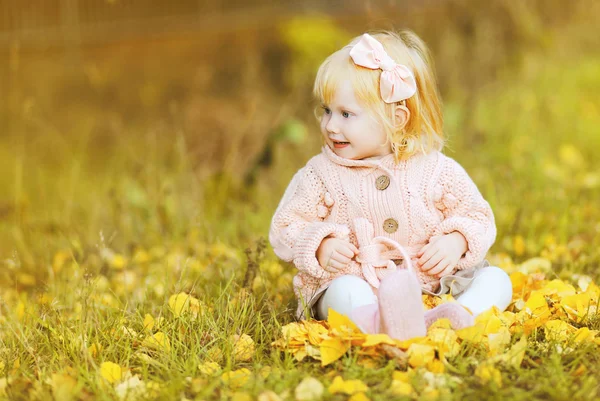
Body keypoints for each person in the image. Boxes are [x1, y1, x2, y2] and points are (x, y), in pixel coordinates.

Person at [269, 30, 513, 340]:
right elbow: (286, 226)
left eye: (346, 114)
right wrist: (321, 245)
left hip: (433, 284)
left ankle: (457, 318)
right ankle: (382, 325)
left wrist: (456, 241)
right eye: (327, 111)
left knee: (497, 279)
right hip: (359, 281)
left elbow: (477, 215)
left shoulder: (435, 169)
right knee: (344, 292)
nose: (331, 125)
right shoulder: (320, 175)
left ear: (396, 119)